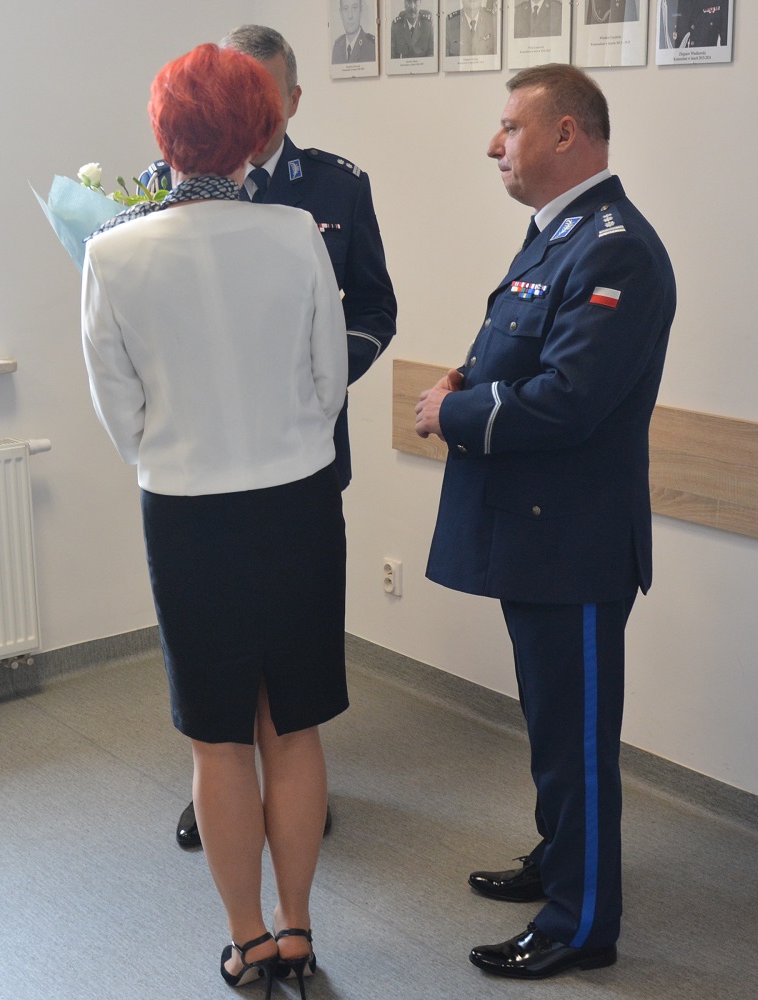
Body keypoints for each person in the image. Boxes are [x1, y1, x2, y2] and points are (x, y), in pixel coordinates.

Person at [83, 42, 349, 997]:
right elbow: (329, 382)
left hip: (189, 516)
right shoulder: (298, 233)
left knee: (218, 738)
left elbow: (118, 411)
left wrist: (181, 454)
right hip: (299, 505)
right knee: (295, 727)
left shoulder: (112, 253)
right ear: (260, 130)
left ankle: (248, 943)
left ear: (165, 135)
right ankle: (299, 931)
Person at [414, 64, 675, 979]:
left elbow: (569, 398)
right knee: (553, 727)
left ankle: (580, 922)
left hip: (576, 543)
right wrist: (464, 376)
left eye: (510, 127)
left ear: (567, 133)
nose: (494, 145)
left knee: (577, 742)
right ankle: (563, 857)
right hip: (539, 533)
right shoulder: (560, 235)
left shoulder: (615, 248)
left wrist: (452, 412)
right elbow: (520, 350)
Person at [142, 23, 397, 852]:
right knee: (216, 651)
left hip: (301, 454)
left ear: (291, 99)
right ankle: (226, 786)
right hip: (202, 464)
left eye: (258, 92)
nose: (241, 107)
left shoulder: (333, 188)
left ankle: (290, 789)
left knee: (290, 656)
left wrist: (315, 382)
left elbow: (374, 306)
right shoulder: (163, 185)